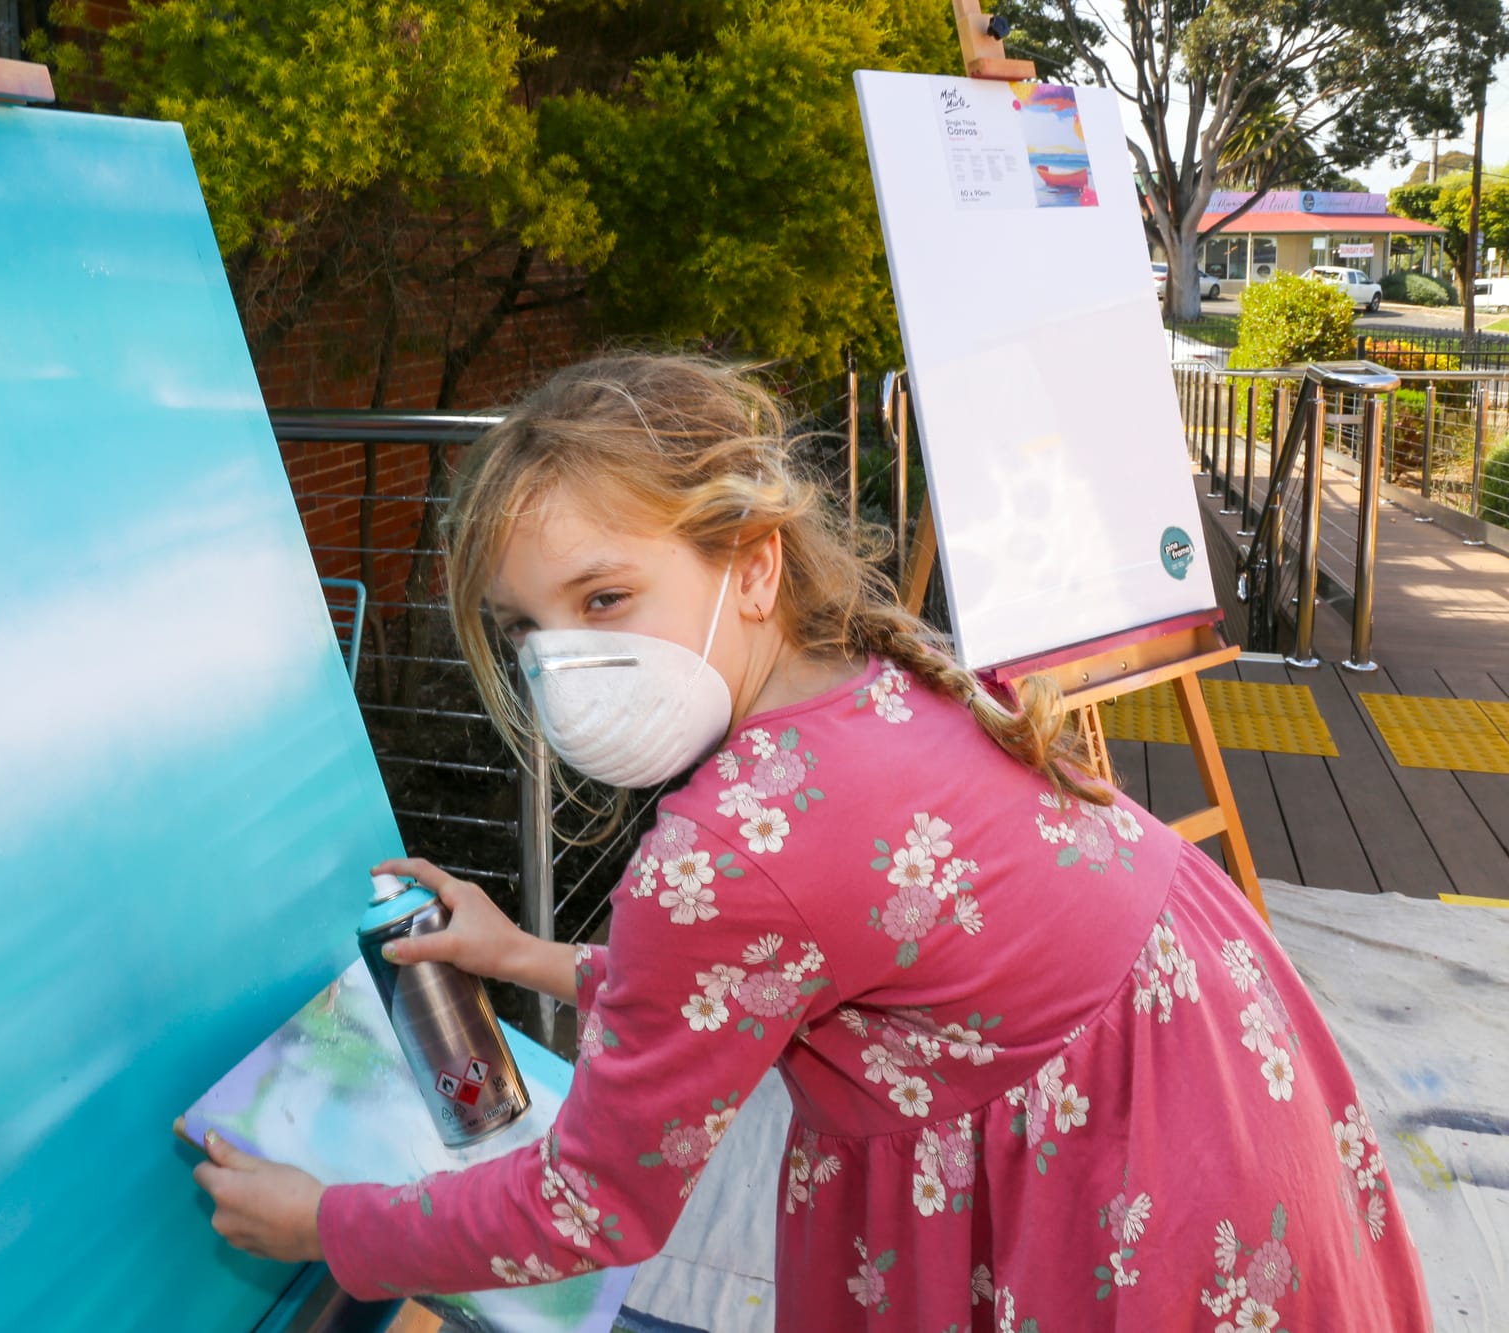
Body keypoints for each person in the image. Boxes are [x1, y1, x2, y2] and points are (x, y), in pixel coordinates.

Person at [194, 354, 1430, 1329]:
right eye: (528, 625)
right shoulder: (878, 666)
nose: (560, 661)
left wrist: (332, 1222)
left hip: (1108, 1182)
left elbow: (594, 1201)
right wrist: (521, 955)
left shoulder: (718, 853)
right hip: (1202, 1090)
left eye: (604, 597)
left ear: (750, 566)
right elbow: (779, 976)